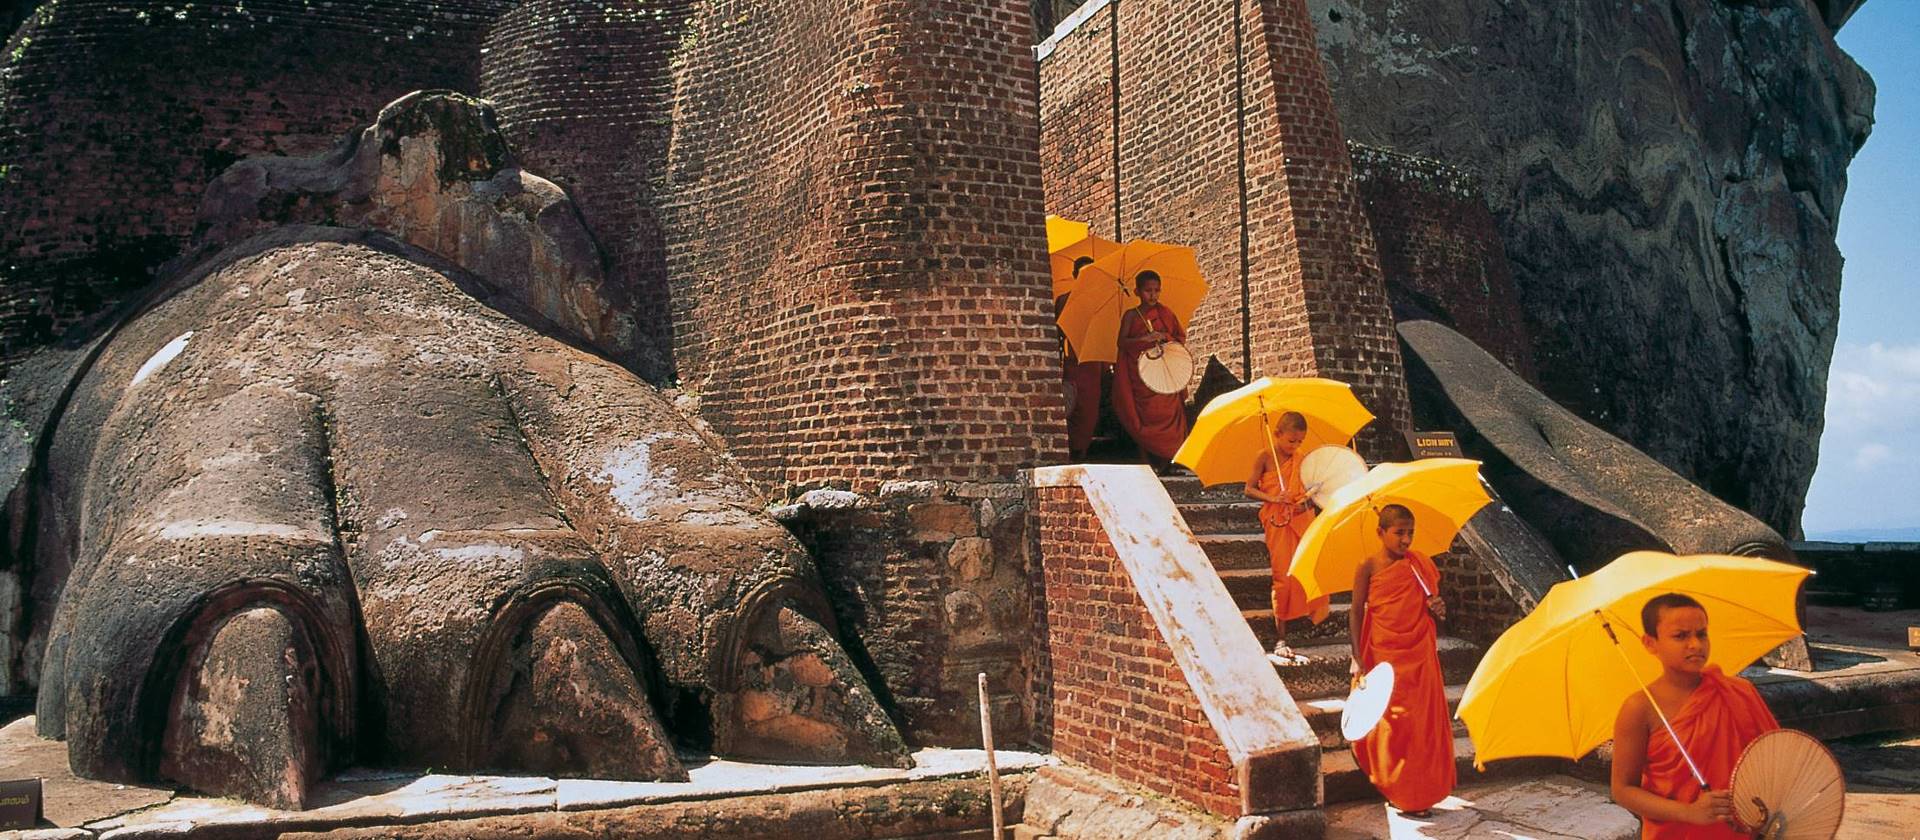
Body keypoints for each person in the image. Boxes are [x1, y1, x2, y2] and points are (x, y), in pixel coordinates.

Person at [1610, 593, 1780, 839]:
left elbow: (1775, 759)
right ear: (1650, 643)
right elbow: (1623, 789)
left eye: (1701, 634)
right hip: (1677, 833)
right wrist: (1689, 812)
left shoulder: (1739, 692)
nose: (1696, 645)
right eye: (1680, 636)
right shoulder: (1640, 708)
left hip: (1742, 831)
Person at [1349, 504, 1454, 817]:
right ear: (1380, 533)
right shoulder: (1367, 565)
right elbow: (1356, 611)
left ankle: (1416, 794)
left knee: (1420, 723)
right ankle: (1394, 785)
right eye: (1399, 532)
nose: (1406, 539)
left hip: (1418, 650)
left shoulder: (1419, 564)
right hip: (1384, 651)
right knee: (1394, 722)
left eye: (1410, 532)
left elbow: (1430, 605)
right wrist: (1357, 655)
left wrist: (1436, 607)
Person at [1244, 411, 1331, 665]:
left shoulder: (1303, 459)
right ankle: (1281, 636)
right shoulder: (1265, 456)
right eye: (1291, 441)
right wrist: (1273, 498)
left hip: (1303, 518)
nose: (1295, 446)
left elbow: (1311, 491)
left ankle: (1316, 619)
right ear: (1277, 434)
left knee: (1312, 568)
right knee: (1282, 577)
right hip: (1277, 520)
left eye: (1300, 442)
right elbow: (1248, 489)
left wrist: (1308, 498)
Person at [1112, 270, 1189, 471]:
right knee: (1146, 416)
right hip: (1143, 375)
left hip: (1164, 371)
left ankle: (1172, 459)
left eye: (1156, 290)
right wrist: (1144, 340)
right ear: (1137, 291)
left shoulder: (1167, 313)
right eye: (1148, 291)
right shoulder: (1130, 315)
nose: (1153, 295)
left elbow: (1179, 338)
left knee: (1171, 412)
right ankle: (1150, 460)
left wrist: (1164, 336)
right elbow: (1122, 342)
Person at [1059, 255, 1106, 461]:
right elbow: (1058, 331)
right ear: (1075, 275)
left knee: (1089, 409)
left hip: (1093, 359)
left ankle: (1082, 449)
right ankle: (1069, 447)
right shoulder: (1063, 300)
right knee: (1072, 404)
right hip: (1072, 359)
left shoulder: (1101, 301)